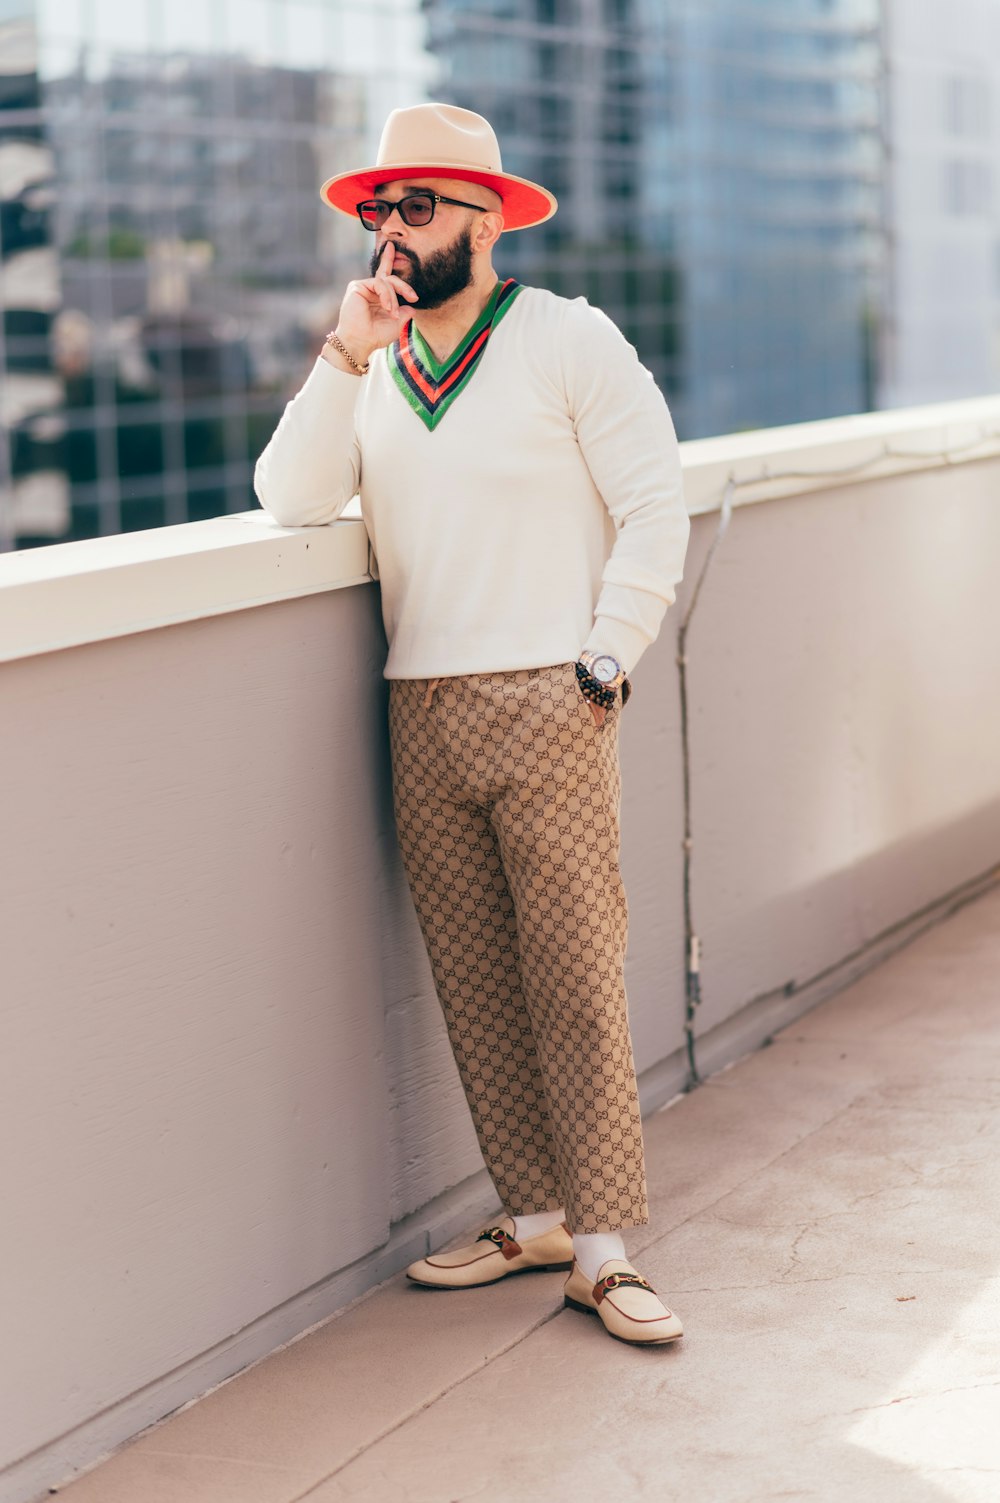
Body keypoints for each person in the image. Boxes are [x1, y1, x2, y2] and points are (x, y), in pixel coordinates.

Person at [254, 102, 690, 1346]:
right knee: (477, 985)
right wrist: (343, 353)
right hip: (420, 705)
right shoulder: (380, 368)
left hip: (553, 690)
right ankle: (536, 1213)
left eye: (421, 207)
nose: (395, 229)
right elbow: (288, 498)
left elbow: (655, 504)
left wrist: (605, 656)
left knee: (573, 982)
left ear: (486, 219)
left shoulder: (567, 338)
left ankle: (602, 1255)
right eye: (381, 210)